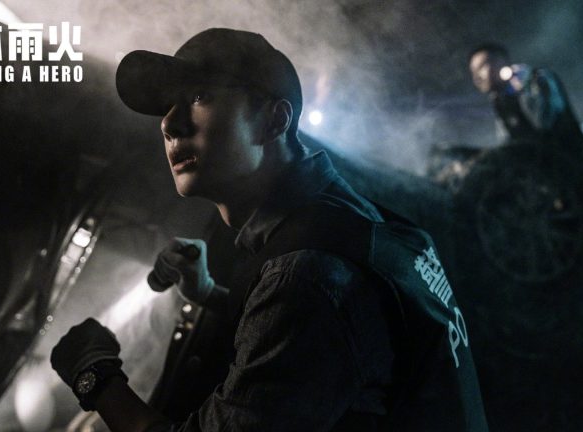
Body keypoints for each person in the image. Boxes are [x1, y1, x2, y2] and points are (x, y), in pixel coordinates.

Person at [50, 28, 487, 431]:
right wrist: (209, 294)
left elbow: (309, 302)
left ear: (275, 120)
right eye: (167, 106)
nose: (169, 123)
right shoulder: (351, 220)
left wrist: (95, 375)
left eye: (200, 96)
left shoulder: (305, 275)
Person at [468, 42, 583, 178]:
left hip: (570, 168)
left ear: (500, 62)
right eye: (473, 72)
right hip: (542, 174)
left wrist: (524, 88)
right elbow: (508, 142)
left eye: (481, 67)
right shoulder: (499, 99)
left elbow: (544, 122)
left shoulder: (539, 79)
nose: (477, 77)